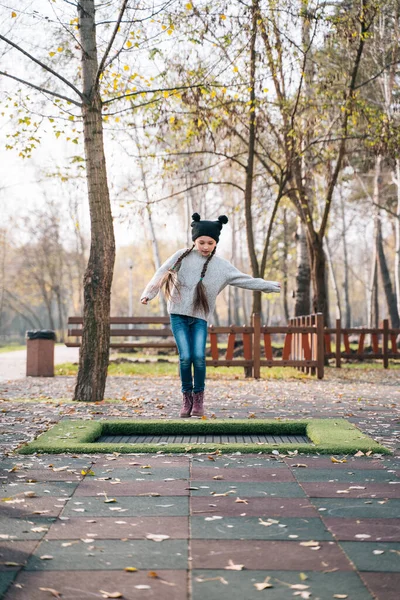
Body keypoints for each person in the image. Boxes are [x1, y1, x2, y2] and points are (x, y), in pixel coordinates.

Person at [140, 213, 280, 417]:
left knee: (198, 357)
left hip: (200, 317)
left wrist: (270, 286)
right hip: (178, 314)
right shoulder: (182, 256)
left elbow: (244, 279)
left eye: (210, 243)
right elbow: (162, 272)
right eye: (201, 242)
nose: (205, 246)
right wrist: (148, 293)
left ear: (216, 243)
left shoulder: (221, 266)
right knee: (185, 357)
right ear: (195, 241)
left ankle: (198, 401)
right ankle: (186, 399)